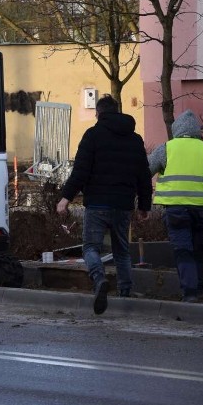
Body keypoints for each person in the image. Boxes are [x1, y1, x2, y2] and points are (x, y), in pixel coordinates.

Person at [56, 94, 152, 315]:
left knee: (91, 247)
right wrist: (144, 206)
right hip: (123, 204)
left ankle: (99, 279)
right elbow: (143, 176)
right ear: (117, 111)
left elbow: (80, 171)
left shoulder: (92, 135)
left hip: (97, 203)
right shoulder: (134, 139)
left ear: (98, 113)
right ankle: (126, 292)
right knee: (122, 251)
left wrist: (65, 198)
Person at [148, 110, 203, 303]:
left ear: (176, 129)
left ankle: (190, 292)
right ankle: (199, 288)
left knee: (182, 249)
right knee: (197, 248)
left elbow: (146, 171)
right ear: (196, 131)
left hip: (175, 209)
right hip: (202, 209)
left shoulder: (165, 149)